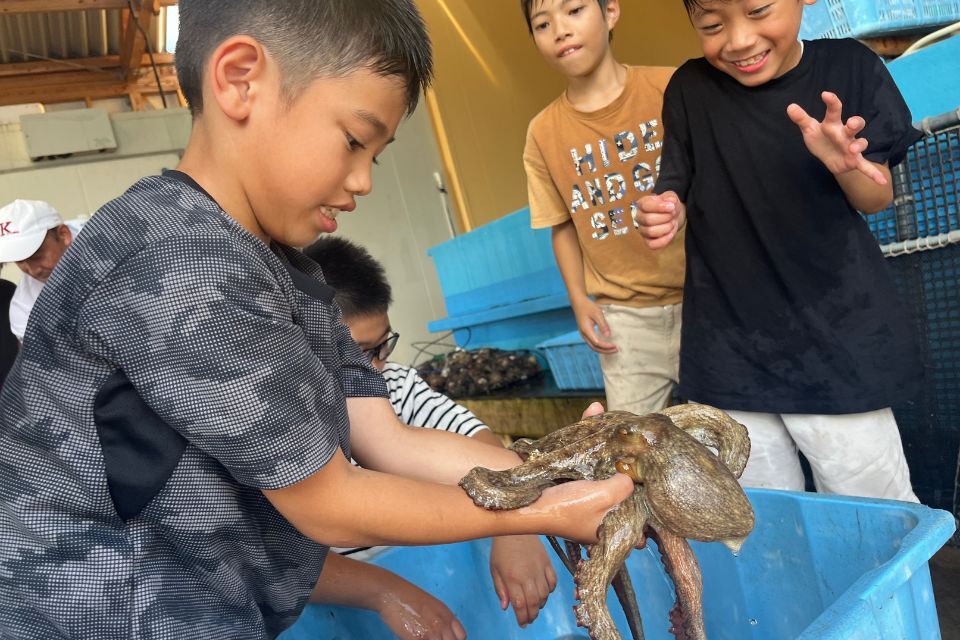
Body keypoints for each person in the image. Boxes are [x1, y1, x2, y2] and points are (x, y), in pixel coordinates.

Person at [0, 1, 634, 639]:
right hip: (93, 611)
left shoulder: (282, 270)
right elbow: (332, 502)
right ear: (241, 79)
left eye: (376, 157)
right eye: (355, 141)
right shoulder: (175, 258)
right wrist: (541, 511)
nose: (362, 181)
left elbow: (388, 438)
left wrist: (547, 471)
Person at [637, 0, 921, 502]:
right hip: (729, 354)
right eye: (711, 24)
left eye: (759, 10)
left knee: (875, 518)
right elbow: (675, 187)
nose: (739, 39)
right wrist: (664, 211)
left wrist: (846, 166)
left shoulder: (851, 67)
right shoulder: (690, 88)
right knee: (759, 525)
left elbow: (876, 196)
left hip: (839, 348)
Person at [304, 236, 557, 627]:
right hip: (333, 606)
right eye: (356, 354)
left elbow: (475, 441)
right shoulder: (288, 418)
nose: (374, 370)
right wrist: (386, 592)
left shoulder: (398, 383)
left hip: (429, 567)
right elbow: (274, 558)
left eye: (382, 347)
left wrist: (516, 522)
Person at [521, 0, 686, 415]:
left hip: (706, 300)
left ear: (611, 11)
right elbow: (561, 225)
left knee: (727, 434)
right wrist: (579, 299)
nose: (560, 29)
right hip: (624, 321)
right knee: (631, 444)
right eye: (543, 23)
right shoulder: (543, 133)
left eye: (574, 10)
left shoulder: (671, 88)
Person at [0, 199, 83, 341]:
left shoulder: (112, 248)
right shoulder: (24, 308)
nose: (32, 271)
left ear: (64, 235)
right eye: (20, 261)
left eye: (36, 257)